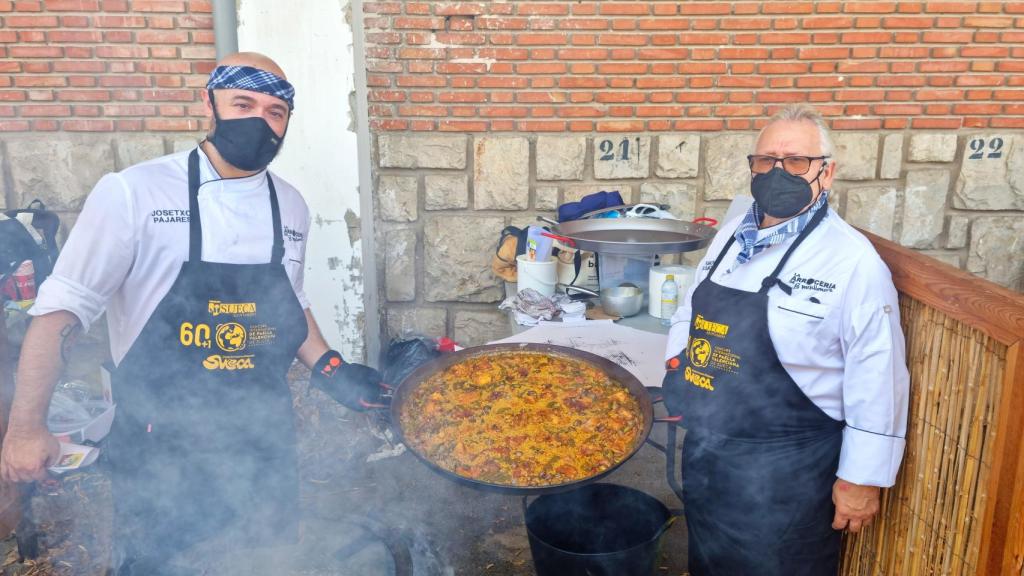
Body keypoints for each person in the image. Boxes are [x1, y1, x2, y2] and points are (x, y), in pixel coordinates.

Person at [0, 52, 386, 575]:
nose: (260, 121)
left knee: (264, 558)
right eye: (243, 103)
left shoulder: (291, 205)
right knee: (160, 564)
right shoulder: (134, 192)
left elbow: (289, 302)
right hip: (163, 438)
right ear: (209, 103)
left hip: (261, 431)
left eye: (275, 111)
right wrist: (26, 429)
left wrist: (329, 367)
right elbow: (60, 311)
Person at [662, 104, 910, 575]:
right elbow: (689, 309)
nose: (779, 171)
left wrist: (861, 479)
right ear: (752, 167)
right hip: (711, 455)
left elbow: (878, 374)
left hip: (790, 475)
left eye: (796, 161)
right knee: (708, 564)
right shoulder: (733, 234)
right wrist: (679, 368)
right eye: (766, 160)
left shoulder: (852, 262)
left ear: (827, 172)